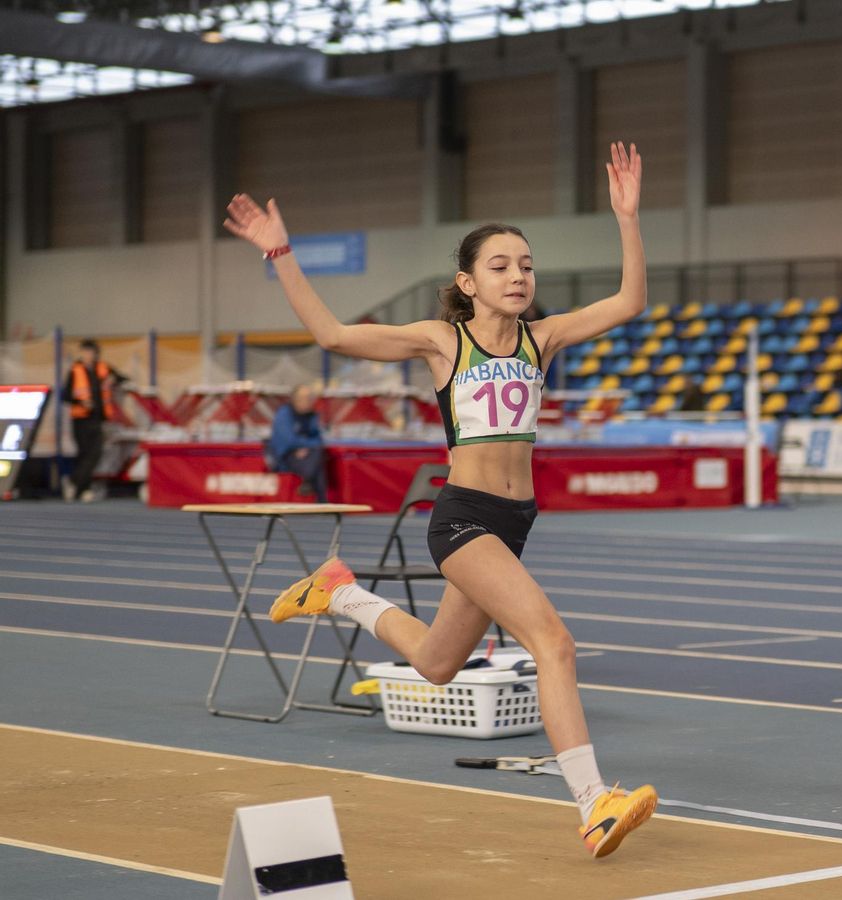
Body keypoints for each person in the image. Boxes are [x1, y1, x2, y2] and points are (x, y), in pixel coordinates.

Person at [223, 142, 656, 859]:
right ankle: (593, 800)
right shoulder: (441, 344)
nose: (517, 275)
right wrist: (281, 254)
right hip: (464, 520)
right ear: (468, 281)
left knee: (435, 664)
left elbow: (630, 300)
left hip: (514, 523)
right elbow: (332, 335)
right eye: (500, 265)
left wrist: (627, 217)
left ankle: (340, 592)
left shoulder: (540, 340)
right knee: (553, 642)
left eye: (525, 264)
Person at [61, 338, 128, 502]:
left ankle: (75, 483)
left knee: (95, 453)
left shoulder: (103, 368)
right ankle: (81, 488)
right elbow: (65, 395)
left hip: (97, 418)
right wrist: (81, 402)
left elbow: (124, 378)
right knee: (84, 453)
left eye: (91, 352)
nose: (88, 355)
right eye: (85, 352)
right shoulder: (75, 370)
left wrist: (114, 379)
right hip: (80, 419)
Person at [267, 384, 329, 502]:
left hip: (307, 455)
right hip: (285, 456)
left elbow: (318, 439)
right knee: (316, 458)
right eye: (303, 399)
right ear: (295, 400)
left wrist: (306, 446)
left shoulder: (311, 415)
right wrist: (304, 445)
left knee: (317, 454)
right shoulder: (284, 414)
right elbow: (289, 440)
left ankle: (309, 484)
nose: (307, 402)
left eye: (309, 399)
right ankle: (320, 498)